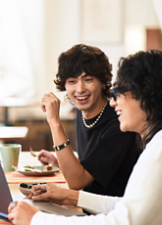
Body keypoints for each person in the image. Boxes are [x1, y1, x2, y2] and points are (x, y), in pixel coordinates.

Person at [8, 50, 162, 225]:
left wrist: (36, 219)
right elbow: (127, 205)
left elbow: (122, 221)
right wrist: (69, 195)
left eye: (120, 92)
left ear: (147, 96)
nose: (113, 101)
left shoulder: (159, 153)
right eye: (72, 81)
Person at [37, 44, 140, 196]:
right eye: (72, 81)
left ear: (103, 81)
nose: (80, 89)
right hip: (88, 202)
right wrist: (59, 162)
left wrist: (54, 123)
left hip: (111, 211)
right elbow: (91, 167)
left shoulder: (119, 122)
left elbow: (76, 182)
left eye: (88, 79)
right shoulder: (83, 108)